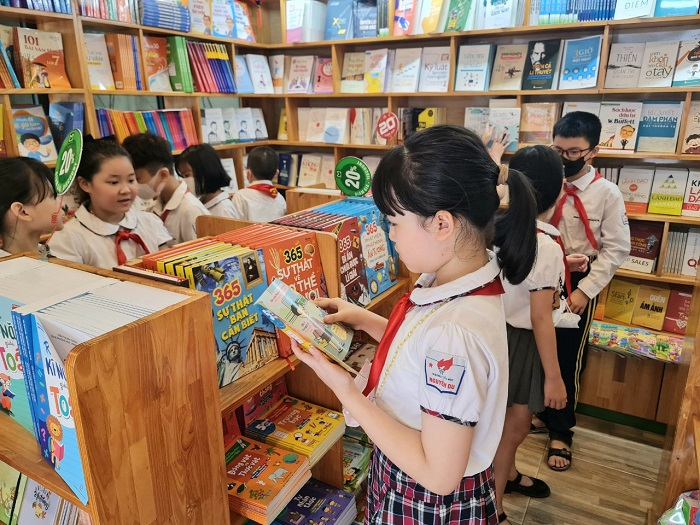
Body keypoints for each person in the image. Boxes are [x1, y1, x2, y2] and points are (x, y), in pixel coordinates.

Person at [291, 125, 539, 525]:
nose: (390, 235)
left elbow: (439, 475)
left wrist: (345, 391)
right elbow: (419, 343)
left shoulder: (454, 335)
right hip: (405, 476)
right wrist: (364, 318)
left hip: (425, 499)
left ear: (442, 224)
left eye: (394, 222)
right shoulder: (458, 276)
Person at [493, 146, 589, 525]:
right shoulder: (544, 244)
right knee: (514, 427)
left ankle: (509, 474)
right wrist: (555, 377)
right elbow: (540, 317)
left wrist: (560, 266)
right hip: (522, 342)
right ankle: (495, 509)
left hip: (495, 334)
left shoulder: (498, 227)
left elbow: (517, 278)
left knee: (504, 424)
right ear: (558, 189)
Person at [532, 111, 631, 471]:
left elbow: (617, 249)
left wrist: (585, 292)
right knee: (536, 346)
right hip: (541, 273)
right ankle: (542, 412)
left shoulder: (607, 193)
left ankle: (562, 430)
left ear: (593, 151)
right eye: (558, 150)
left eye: (573, 152)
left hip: (579, 281)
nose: (564, 158)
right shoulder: (546, 182)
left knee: (567, 356)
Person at [49, 138, 171, 269]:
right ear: (85, 184)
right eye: (114, 182)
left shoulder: (150, 222)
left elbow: (169, 268)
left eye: (131, 180)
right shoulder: (68, 238)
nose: (126, 190)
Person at [122, 133, 210, 244]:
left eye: (137, 179)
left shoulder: (191, 210)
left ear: (163, 175)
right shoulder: (155, 206)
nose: (132, 186)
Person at [0, 157, 65, 257]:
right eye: (53, 196)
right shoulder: (9, 266)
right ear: (22, 212)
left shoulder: (47, 254)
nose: (62, 204)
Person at [176, 144, 237, 218]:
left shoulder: (224, 209)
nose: (183, 181)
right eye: (182, 176)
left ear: (205, 172)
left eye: (186, 175)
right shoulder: (200, 203)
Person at [230, 146, 286, 222]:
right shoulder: (280, 198)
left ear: (248, 173)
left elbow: (235, 224)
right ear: (276, 174)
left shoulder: (240, 196)